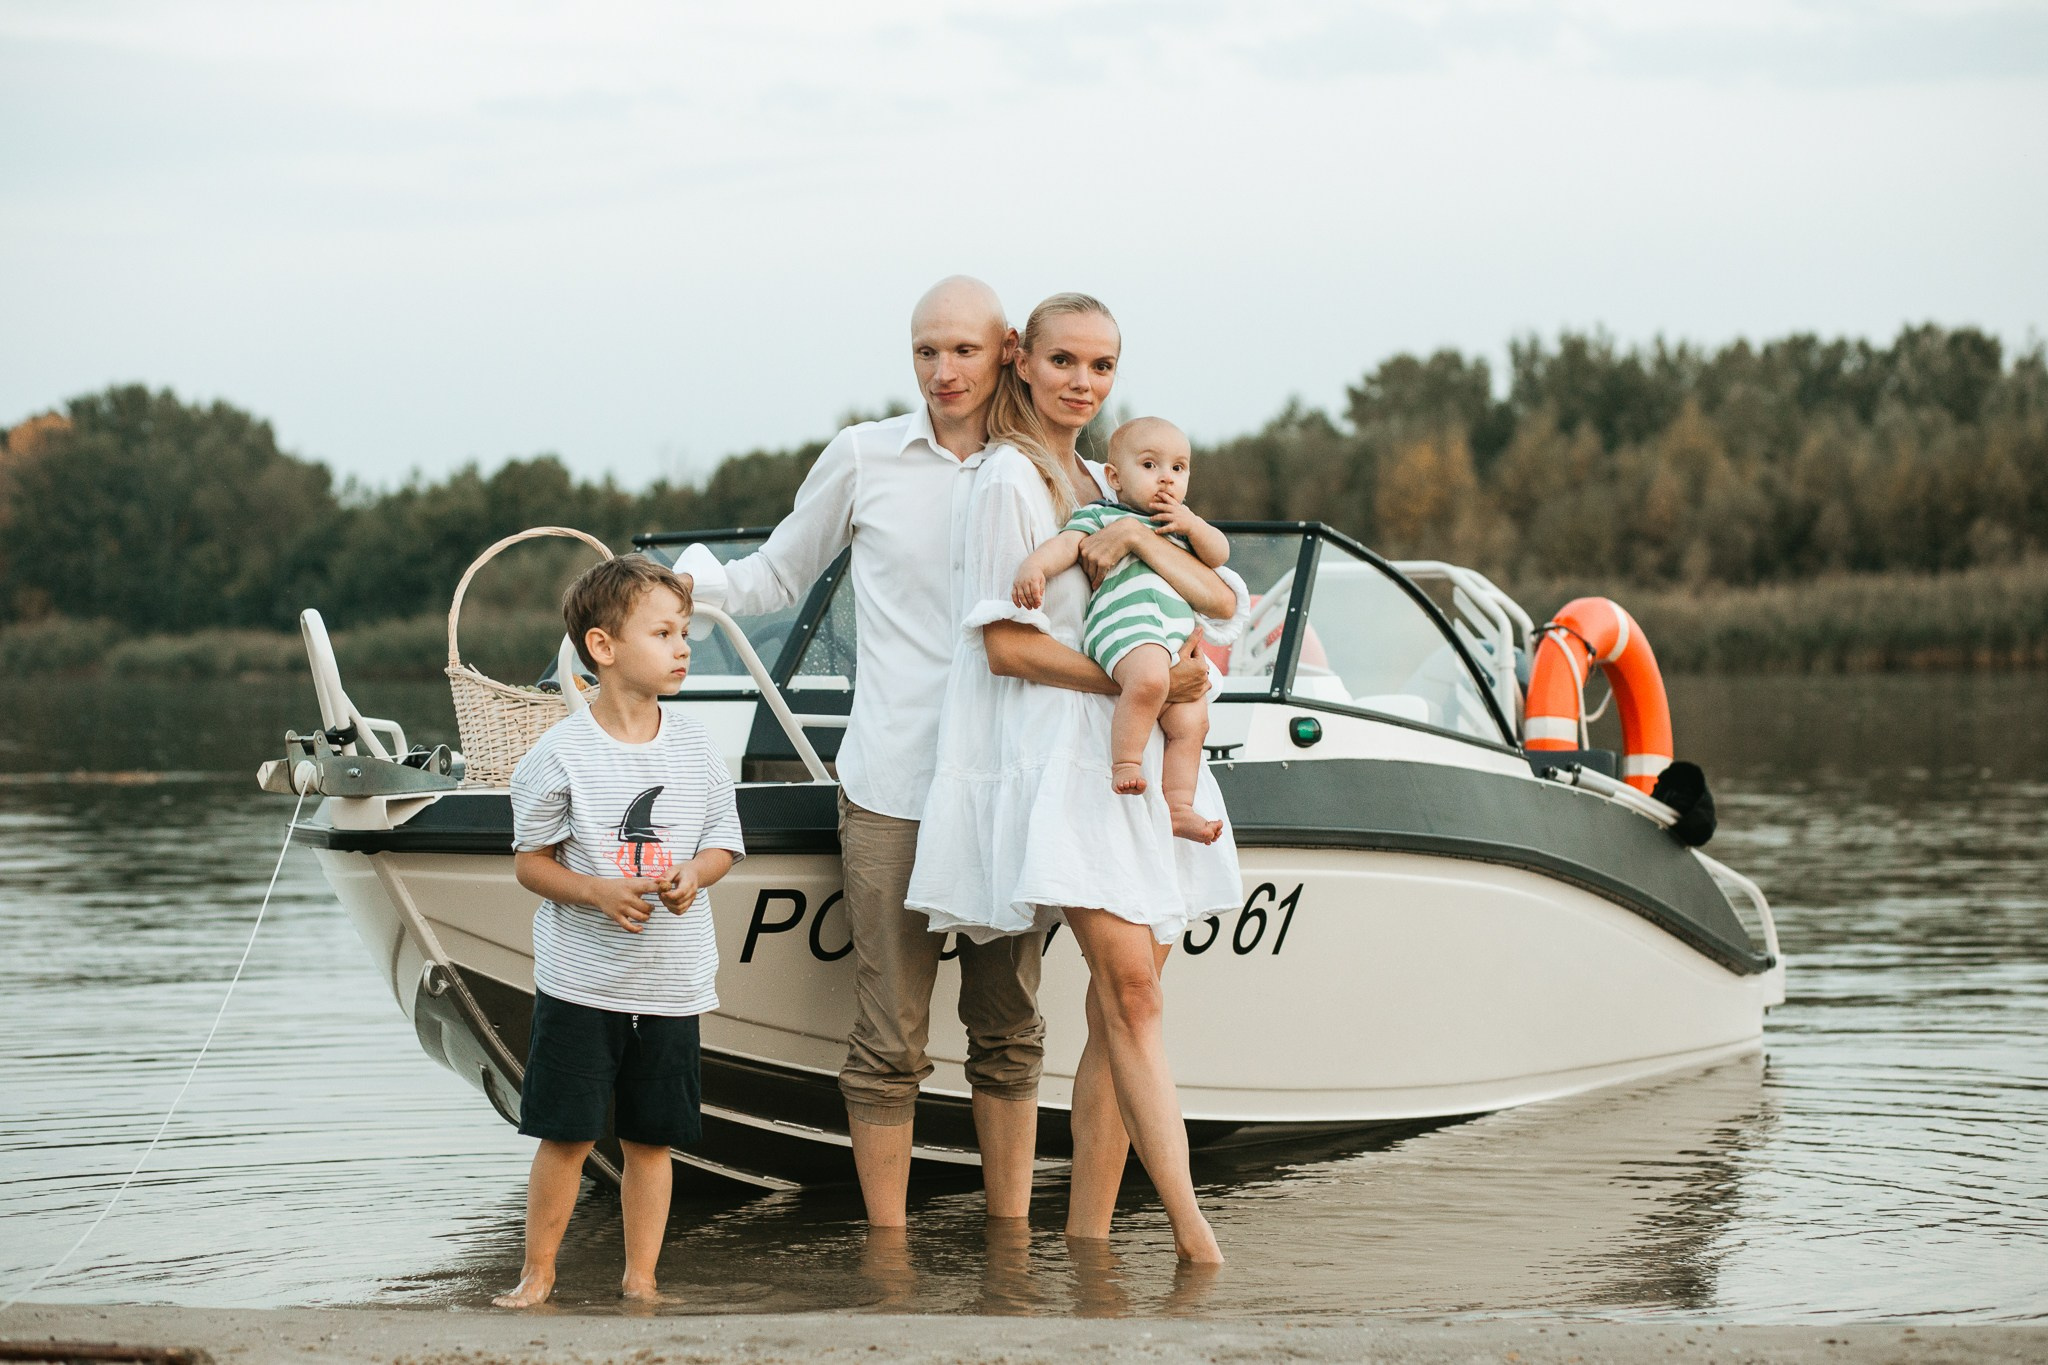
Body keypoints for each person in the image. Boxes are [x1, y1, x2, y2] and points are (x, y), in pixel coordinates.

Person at [669, 278, 1210, 1228]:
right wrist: (669, 588)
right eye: (926, 351)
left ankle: (1007, 1247)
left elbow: (1116, 619)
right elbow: (775, 575)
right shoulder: (864, 456)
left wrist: (1169, 676)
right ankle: (890, 1262)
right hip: (895, 776)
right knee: (889, 1037)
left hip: (1007, 784)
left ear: (1004, 349)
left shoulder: (1069, 480)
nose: (941, 371)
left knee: (1009, 1029)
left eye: (962, 350)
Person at [907, 293, 1246, 1263]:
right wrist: (1139, 675)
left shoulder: (1112, 472)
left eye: (1101, 367)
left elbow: (1218, 598)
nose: (1081, 384)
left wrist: (1142, 544)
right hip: (1067, 756)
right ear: (1022, 361)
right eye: (1063, 362)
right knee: (1131, 994)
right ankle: (1192, 1238)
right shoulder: (1005, 480)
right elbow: (1005, 649)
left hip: (1141, 743)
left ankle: (1090, 1243)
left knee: (1119, 1007)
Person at [493, 555, 745, 1308]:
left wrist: (695, 875)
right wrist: (597, 890)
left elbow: (724, 843)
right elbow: (530, 864)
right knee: (566, 1136)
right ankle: (537, 1273)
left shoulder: (699, 745)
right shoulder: (559, 754)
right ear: (602, 647)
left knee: (650, 1140)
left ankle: (642, 1280)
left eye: (685, 631)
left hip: (670, 984)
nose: (682, 646)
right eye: (662, 632)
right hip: (581, 985)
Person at [1010, 415, 1228, 843]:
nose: (1165, 478)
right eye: (1150, 466)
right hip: (1127, 633)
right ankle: (1126, 763)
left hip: (1170, 639)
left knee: (1193, 720)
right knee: (1148, 681)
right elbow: (1066, 545)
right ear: (1115, 478)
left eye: (1178, 468)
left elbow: (1219, 557)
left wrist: (1194, 525)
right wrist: (1035, 565)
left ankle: (1179, 806)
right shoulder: (1101, 515)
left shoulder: (1181, 528)